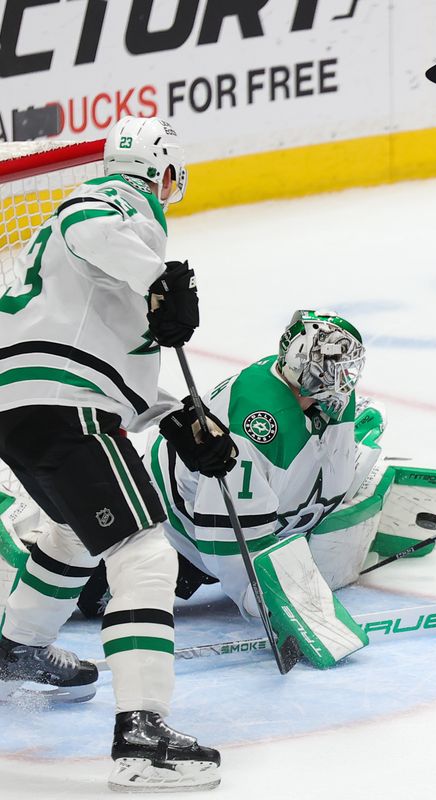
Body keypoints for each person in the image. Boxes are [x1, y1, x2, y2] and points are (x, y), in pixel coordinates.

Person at [0, 116, 232, 791]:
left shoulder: (81, 263)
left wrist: (173, 414)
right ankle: (142, 735)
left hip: (23, 409)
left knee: (74, 533)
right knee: (144, 552)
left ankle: (16, 650)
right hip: (62, 405)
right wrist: (160, 275)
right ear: (163, 173)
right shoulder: (118, 206)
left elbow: (102, 361)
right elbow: (85, 221)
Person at [141, 311, 436, 668]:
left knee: (367, 430)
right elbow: (223, 537)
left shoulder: (325, 395)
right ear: (305, 365)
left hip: (268, 512)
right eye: (334, 365)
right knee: (109, 586)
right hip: (176, 530)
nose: (345, 377)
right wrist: (261, 600)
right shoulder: (257, 424)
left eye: (348, 365)